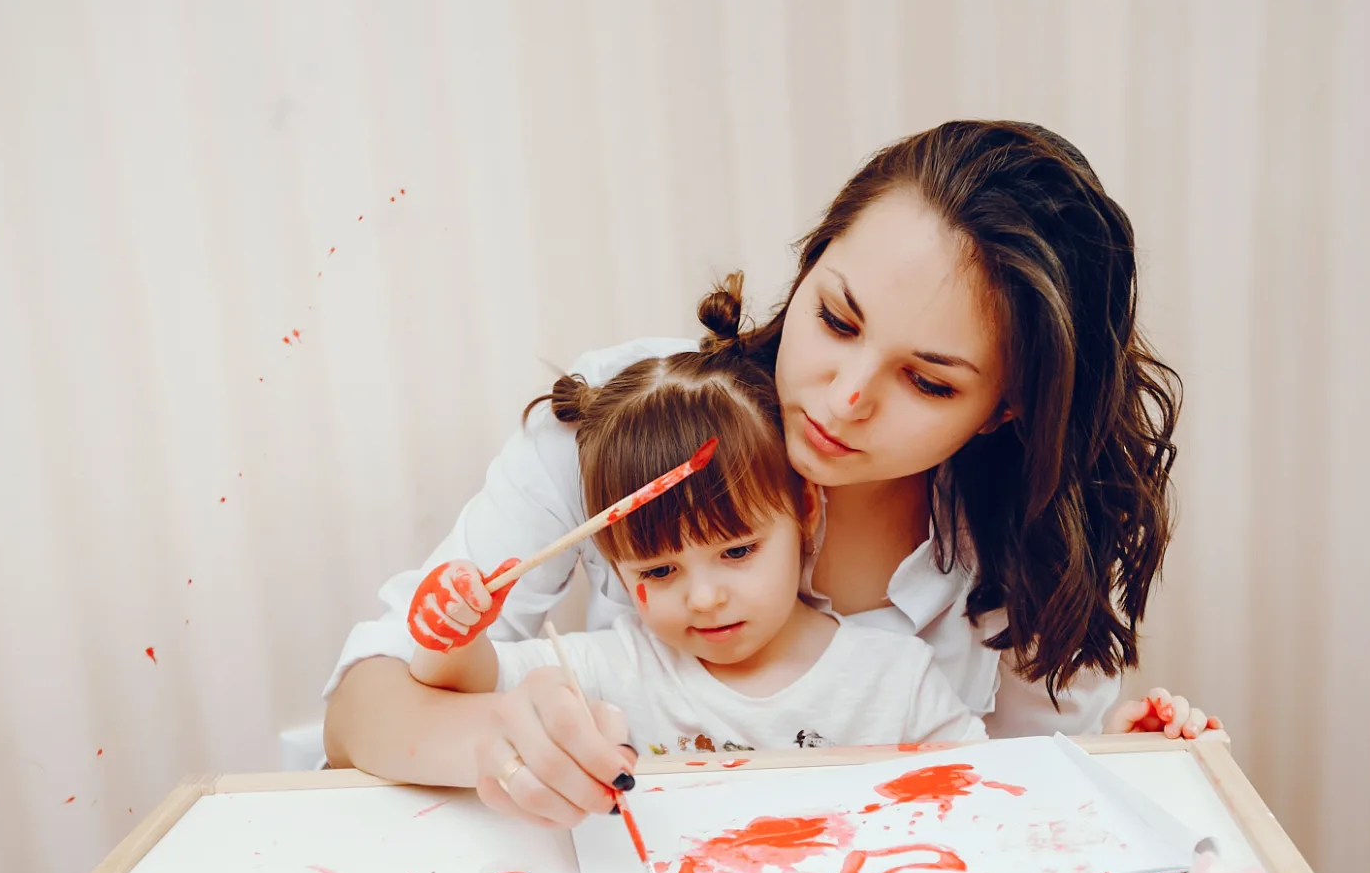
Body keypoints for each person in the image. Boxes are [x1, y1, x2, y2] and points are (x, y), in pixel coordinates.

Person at [326, 121, 1218, 829]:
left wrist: (1126, 757)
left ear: (1006, 408)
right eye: (834, 318)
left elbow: (1026, 784)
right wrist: (503, 741)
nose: (847, 395)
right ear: (810, 265)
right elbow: (362, 707)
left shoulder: (1022, 536)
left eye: (928, 380)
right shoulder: (631, 423)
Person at [408, 275, 986, 780]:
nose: (704, 598)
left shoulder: (896, 682)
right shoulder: (614, 670)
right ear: (613, 559)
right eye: (659, 570)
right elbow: (474, 681)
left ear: (807, 508)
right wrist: (452, 633)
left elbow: (993, 790)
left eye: (737, 552)